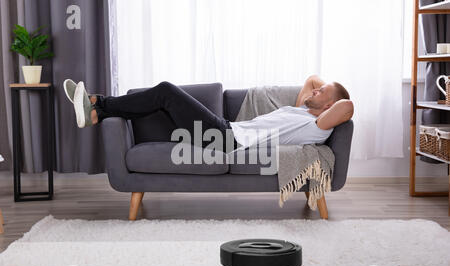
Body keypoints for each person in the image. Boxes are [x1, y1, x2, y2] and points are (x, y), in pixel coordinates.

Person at [63, 75, 353, 151]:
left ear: (329, 107)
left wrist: (334, 94)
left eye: (321, 94)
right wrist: (325, 89)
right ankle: (96, 111)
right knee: (163, 101)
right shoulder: (305, 108)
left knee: (166, 90)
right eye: (316, 91)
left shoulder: (318, 125)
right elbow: (313, 79)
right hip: (227, 132)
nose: (314, 91)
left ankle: (96, 103)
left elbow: (347, 107)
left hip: (230, 141)